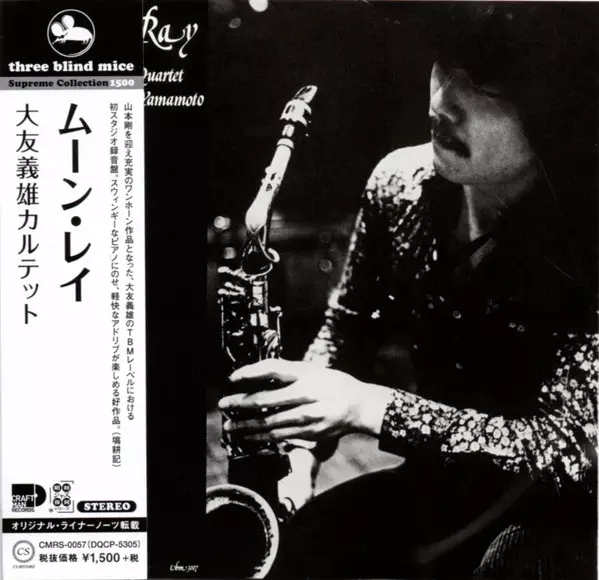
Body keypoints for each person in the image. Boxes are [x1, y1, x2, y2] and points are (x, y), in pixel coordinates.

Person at [218, 3, 598, 578]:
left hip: (560, 513)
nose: (443, 99)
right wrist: (300, 447)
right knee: (302, 549)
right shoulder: (398, 182)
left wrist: (369, 406)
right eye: (444, 65)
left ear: (557, 114)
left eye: (485, 88)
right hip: (440, 487)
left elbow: (567, 452)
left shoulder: (588, 235)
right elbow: (347, 328)